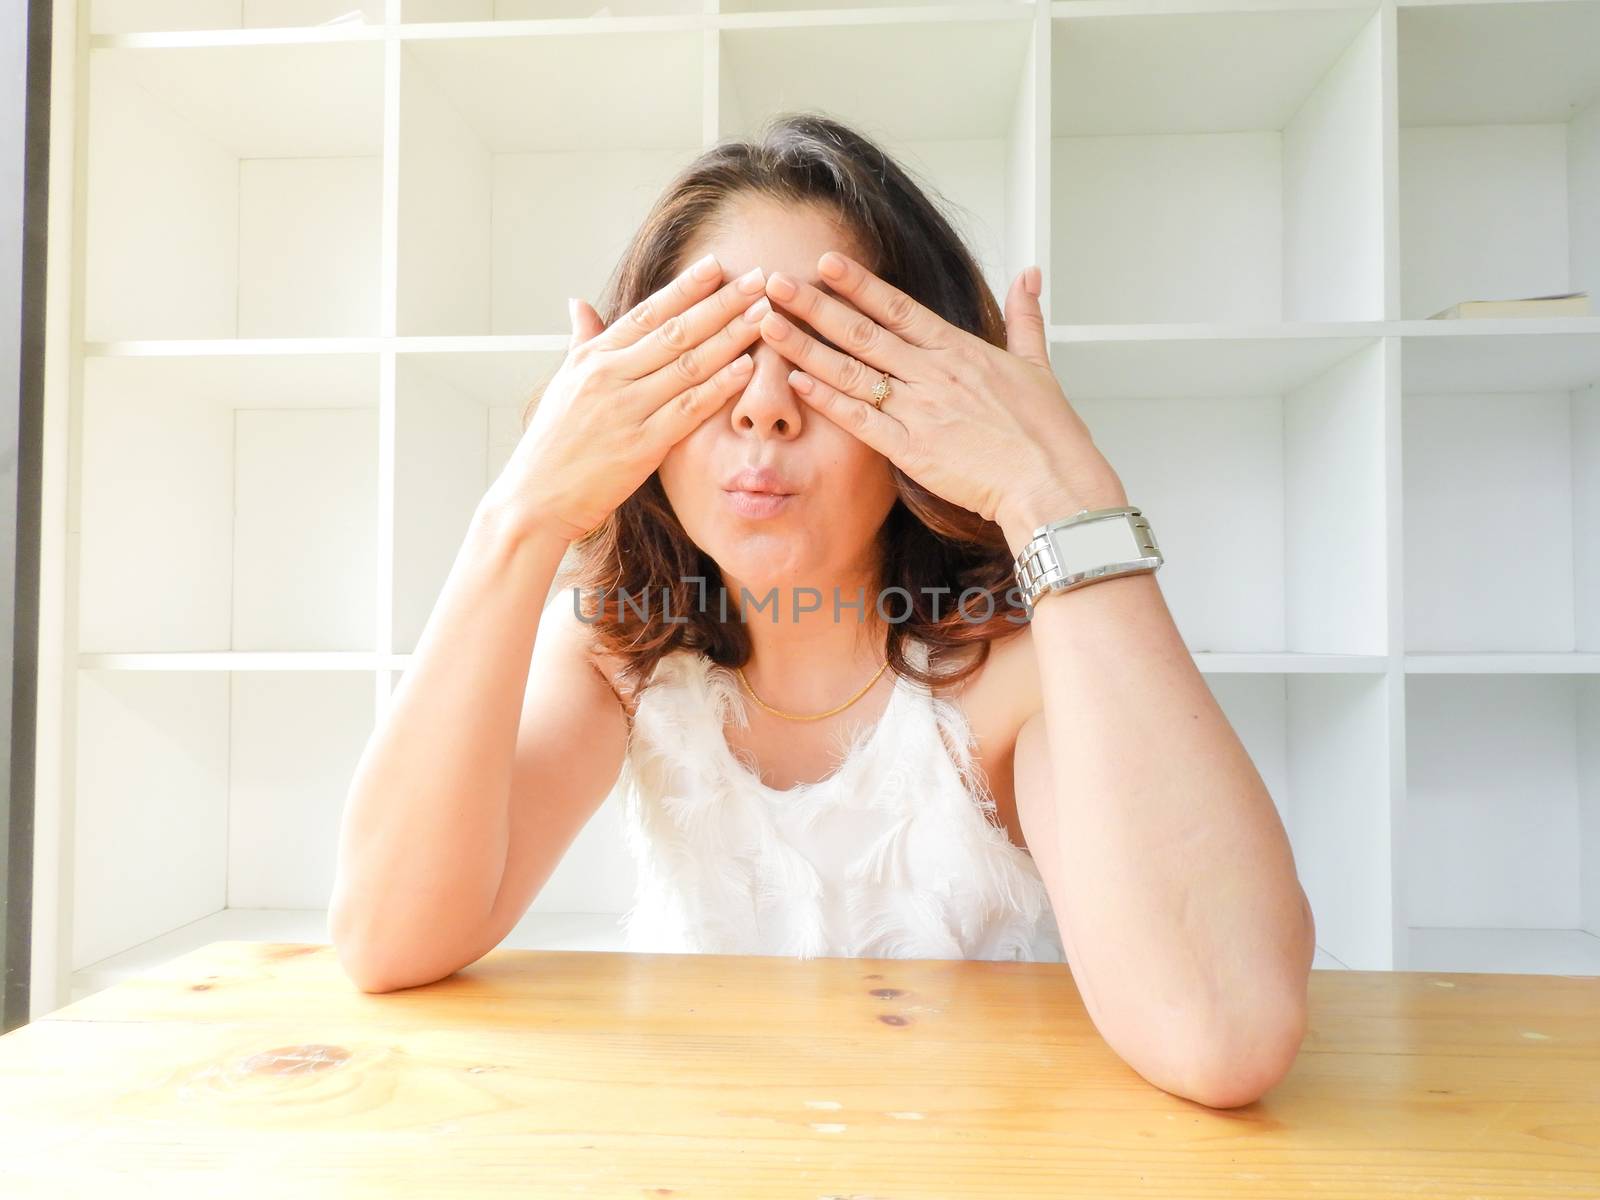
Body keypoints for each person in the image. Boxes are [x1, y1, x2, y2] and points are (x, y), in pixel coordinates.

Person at [332, 112, 1314, 1109]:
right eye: (713, 351)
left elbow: (1221, 1034)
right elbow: (387, 939)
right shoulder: (619, 646)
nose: (764, 407)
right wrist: (519, 516)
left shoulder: (1019, 677)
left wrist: (1056, 497)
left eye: (819, 350)